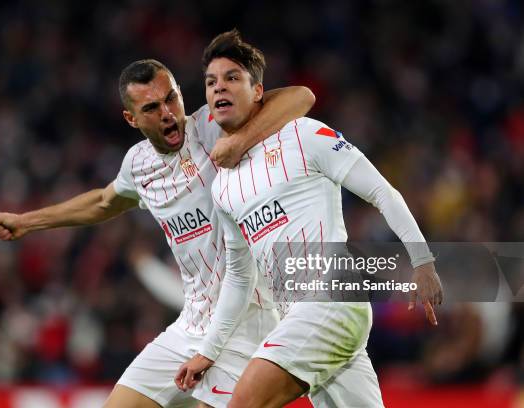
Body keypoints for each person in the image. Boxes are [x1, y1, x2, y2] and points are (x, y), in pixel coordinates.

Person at [0, 58, 314, 408]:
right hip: (192, 323)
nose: (168, 113)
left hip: (249, 318)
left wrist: (240, 141)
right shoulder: (138, 165)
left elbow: (301, 98)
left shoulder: (212, 125)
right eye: (152, 107)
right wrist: (26, 222)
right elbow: (102, 202)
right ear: (132, 118)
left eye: (171, 98)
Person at [175, 30, 443, 408]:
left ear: (258, 92)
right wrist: (209, 350)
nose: (220, 87)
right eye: (211, 82)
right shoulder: (223, 187)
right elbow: (239, 277)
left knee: (243, 402)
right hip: (300, 315)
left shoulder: (302, 134)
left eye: (232, 77)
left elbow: (383, 192)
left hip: (329, 299)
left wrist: (422, 261)